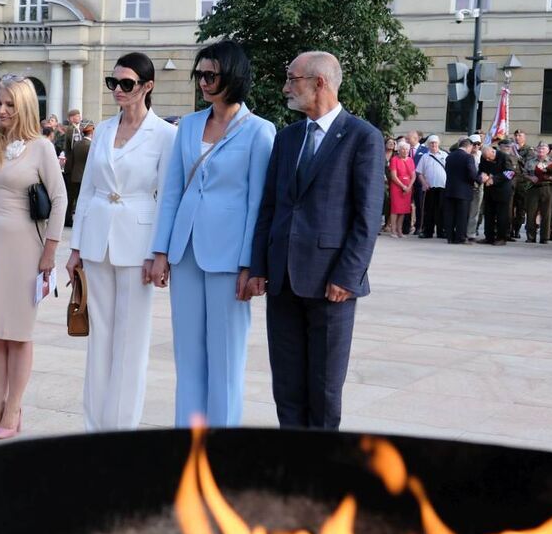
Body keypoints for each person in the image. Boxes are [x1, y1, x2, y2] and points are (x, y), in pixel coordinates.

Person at [248, 51, 383, 431]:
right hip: (283, 281)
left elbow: (367, 216)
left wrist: (348, 276)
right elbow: (270, 206)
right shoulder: (287, 137)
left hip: (331, 284)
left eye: (293, 79)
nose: (286, 87)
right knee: (287, 388)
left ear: (319, 82)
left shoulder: (362, 137)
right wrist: (259, 266)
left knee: (324, 391)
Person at [144, 43, 273, 429]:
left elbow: (257, 202)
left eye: (210, 75)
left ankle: (224, 446)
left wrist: (250, 264)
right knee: (188, 355)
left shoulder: (260, 132)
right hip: (185, 252)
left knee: (226, 358)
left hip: (230, 257)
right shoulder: (189, 124)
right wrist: (161, 251)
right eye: (199, 74)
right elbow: (172, 191)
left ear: (232, 77)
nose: (203, 82)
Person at [61, 53, 176, 432]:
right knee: (100, 339)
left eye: (127, 84)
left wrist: (158, 253)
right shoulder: (104, 131)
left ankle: (122, 428)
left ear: (147, 86)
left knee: (131, 341)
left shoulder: (165, 135)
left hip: (138, 242)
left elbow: (167, 197)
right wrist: (75, 248)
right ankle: (95, 426)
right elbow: (90, 189)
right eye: (114, 83)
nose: (118, 91)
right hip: (97, 241)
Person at [0, 75, 67, 440]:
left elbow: (60, 199)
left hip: (26, 248)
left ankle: (14, 407)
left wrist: (50, 251)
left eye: (9, 104)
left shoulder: (41, 148)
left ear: (23, 108)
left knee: (18, 333)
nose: (2, 110)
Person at [443, 137, 480, 245]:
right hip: (463, 191)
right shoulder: (468, 157)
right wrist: (480, 179)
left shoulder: (450, 156)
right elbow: (472, 173)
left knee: (450, 214)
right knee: (462, 216)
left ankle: (450, 237)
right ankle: (460, 237)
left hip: (450, 189)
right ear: (468, 146)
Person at [478, 142, 514, 245]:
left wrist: (494, 180)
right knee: (488, 214)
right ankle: (488, 237)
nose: (488, 160)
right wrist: (482, 175)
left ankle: (501, 238)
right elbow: (481, 169)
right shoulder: (484, 158)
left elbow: (510, 173)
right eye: (486, 158)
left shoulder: (504, 157)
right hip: (489, 191)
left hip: (502, 191)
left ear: (493, 152)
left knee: (502, 216)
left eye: (489, 158)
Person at [61, 116, 92, 227]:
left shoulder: (77, 144)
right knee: (82, 201)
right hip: (84, 177)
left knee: (71, 199)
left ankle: (67, 219)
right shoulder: (91, 146)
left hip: (74, 175)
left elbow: (72, 160)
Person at [416, 135, 447, 238]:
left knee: (442, 210)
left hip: (443, 187)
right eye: (431, 143)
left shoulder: (445, 155)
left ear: (438, 144)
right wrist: (424, 183)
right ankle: (427, 231)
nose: (433, 145)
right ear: (428, 145)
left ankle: (441, 231)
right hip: (430, 188)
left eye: (435, 143)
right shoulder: (425, 157)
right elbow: (419, 173)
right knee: (429, 210)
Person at [387, 141, 414, 238]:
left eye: (407, 149)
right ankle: (393, 230)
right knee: (395, 209)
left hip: (408, 188)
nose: (405, 151)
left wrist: (409, 186)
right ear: (399, 150)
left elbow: (413, 175)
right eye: (403, 149)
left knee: (403, 210)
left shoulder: (410, 160)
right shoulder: (394, 159)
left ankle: (400, 230)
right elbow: (393, 176)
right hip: (397, 187)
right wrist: (403, 186)